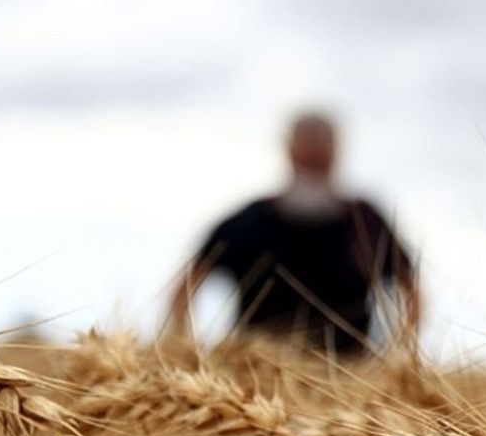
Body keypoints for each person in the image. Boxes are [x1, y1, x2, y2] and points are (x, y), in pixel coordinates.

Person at [170, 111, 419, 356]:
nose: (314, 160)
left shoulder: (366, 222)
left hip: (348, 376)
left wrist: (394, 357)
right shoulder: (247, 223)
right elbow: (187, 286)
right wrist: (185, 352)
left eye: (321, 154)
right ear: (289, 151)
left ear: (336, 152)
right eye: (307, 153)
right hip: (255, 379)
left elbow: (410, 288)